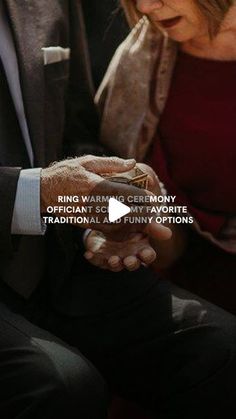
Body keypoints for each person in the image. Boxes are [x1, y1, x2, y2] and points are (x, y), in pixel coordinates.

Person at [0, 1, 164, 417]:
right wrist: (39, 191)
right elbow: (48, 186)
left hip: (60, 266)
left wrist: (103, 218)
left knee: (220, 348)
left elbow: (74, 133)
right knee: (65, 387)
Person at [91, 0, 236, 314]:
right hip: (180, 305)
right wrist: (143, 219)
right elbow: (170, 248)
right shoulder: (140, 60)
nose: (144, 5)